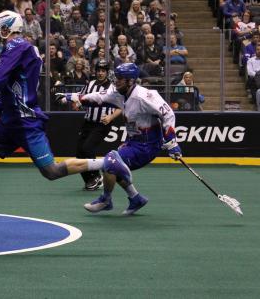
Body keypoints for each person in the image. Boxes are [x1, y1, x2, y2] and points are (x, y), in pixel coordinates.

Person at [0, 11, 111, 227]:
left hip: (25, 122)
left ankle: (107, 162)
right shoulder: (20, 51)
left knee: (51, 171)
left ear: (5, 28)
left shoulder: (17, 46)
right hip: (10, 121)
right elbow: (12, 93)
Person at [59, 63, 182, 215]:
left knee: (111, 162)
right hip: (133, 141)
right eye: (116, 77)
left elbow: (168, 114)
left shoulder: (145, 96)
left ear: (131, 81)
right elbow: (98, 97)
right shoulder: (118, 92)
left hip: (147, 146)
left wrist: (171, 142)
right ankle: (136, 198)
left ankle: (105, 199)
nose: (116, 81)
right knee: (112, 167)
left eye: (120, 78)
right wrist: (74, 97)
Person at [74, 61, 123, 190]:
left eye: (103, 70)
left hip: (102, 124)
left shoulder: (112, 88)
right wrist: (78, 103)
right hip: (88, 123)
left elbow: (120, 106)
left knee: (87, 148)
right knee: (79, 153)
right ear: (95, 71)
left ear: (107, 72)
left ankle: (97, 176)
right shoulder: (90, 84)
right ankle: (90, 180)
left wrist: (110, 117)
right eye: (99, 70)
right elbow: (83, 97)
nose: (100, 73)